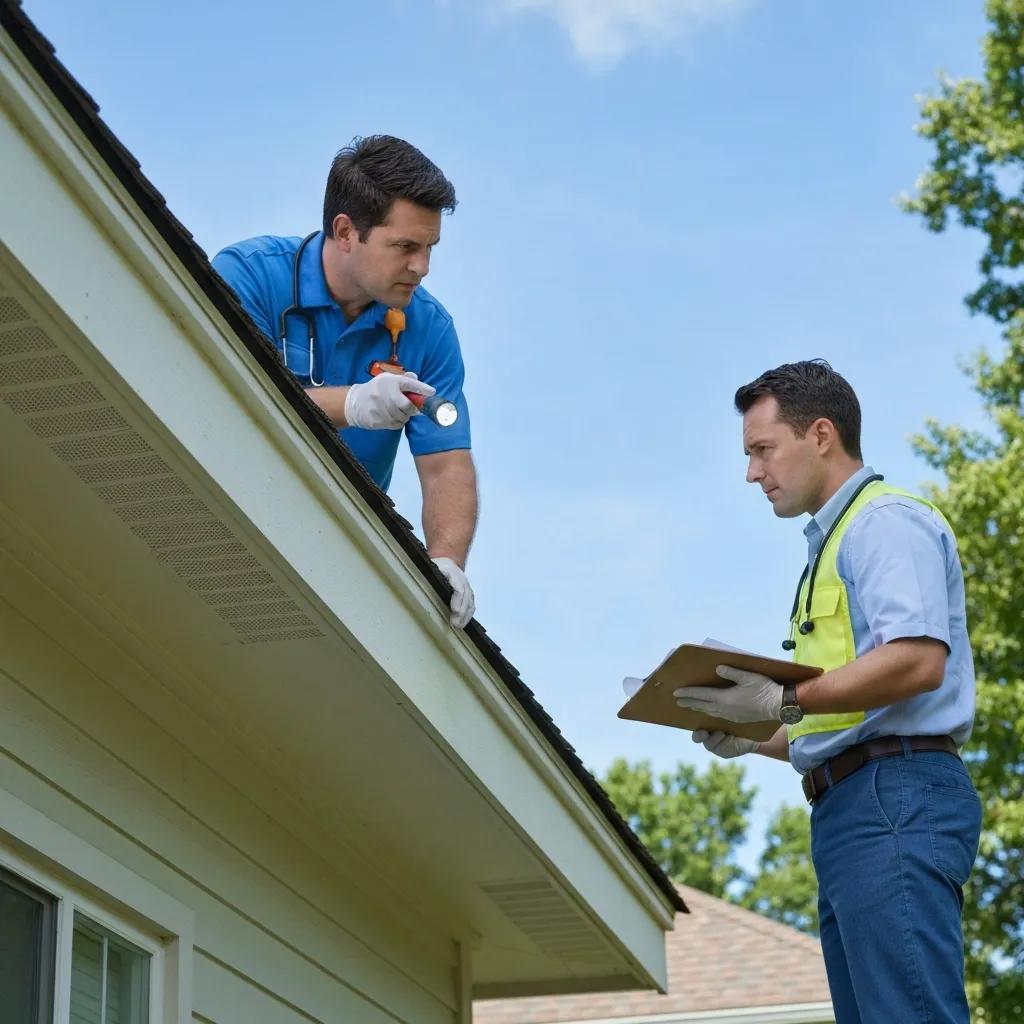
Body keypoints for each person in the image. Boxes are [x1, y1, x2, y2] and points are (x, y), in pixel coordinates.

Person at [674, 360, 981, 1024]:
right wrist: (752, 731)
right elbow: (841, 717)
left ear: (820, 434)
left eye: (762, 449)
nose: (752, 473)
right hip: (854, 808)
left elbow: (919, 660)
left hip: (895, 799)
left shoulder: (884, 524)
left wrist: (782, 703)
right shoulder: (829, 550)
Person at [212, 135, 477, 627]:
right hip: (227, 517)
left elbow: (446, 463)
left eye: (429, 247)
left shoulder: (431, 329)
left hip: (339, 553)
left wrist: (446, 562)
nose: (422, 267)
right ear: (345, 230)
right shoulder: (248, 276)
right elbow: (227, 401)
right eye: (405, 247)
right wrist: (352, 403)